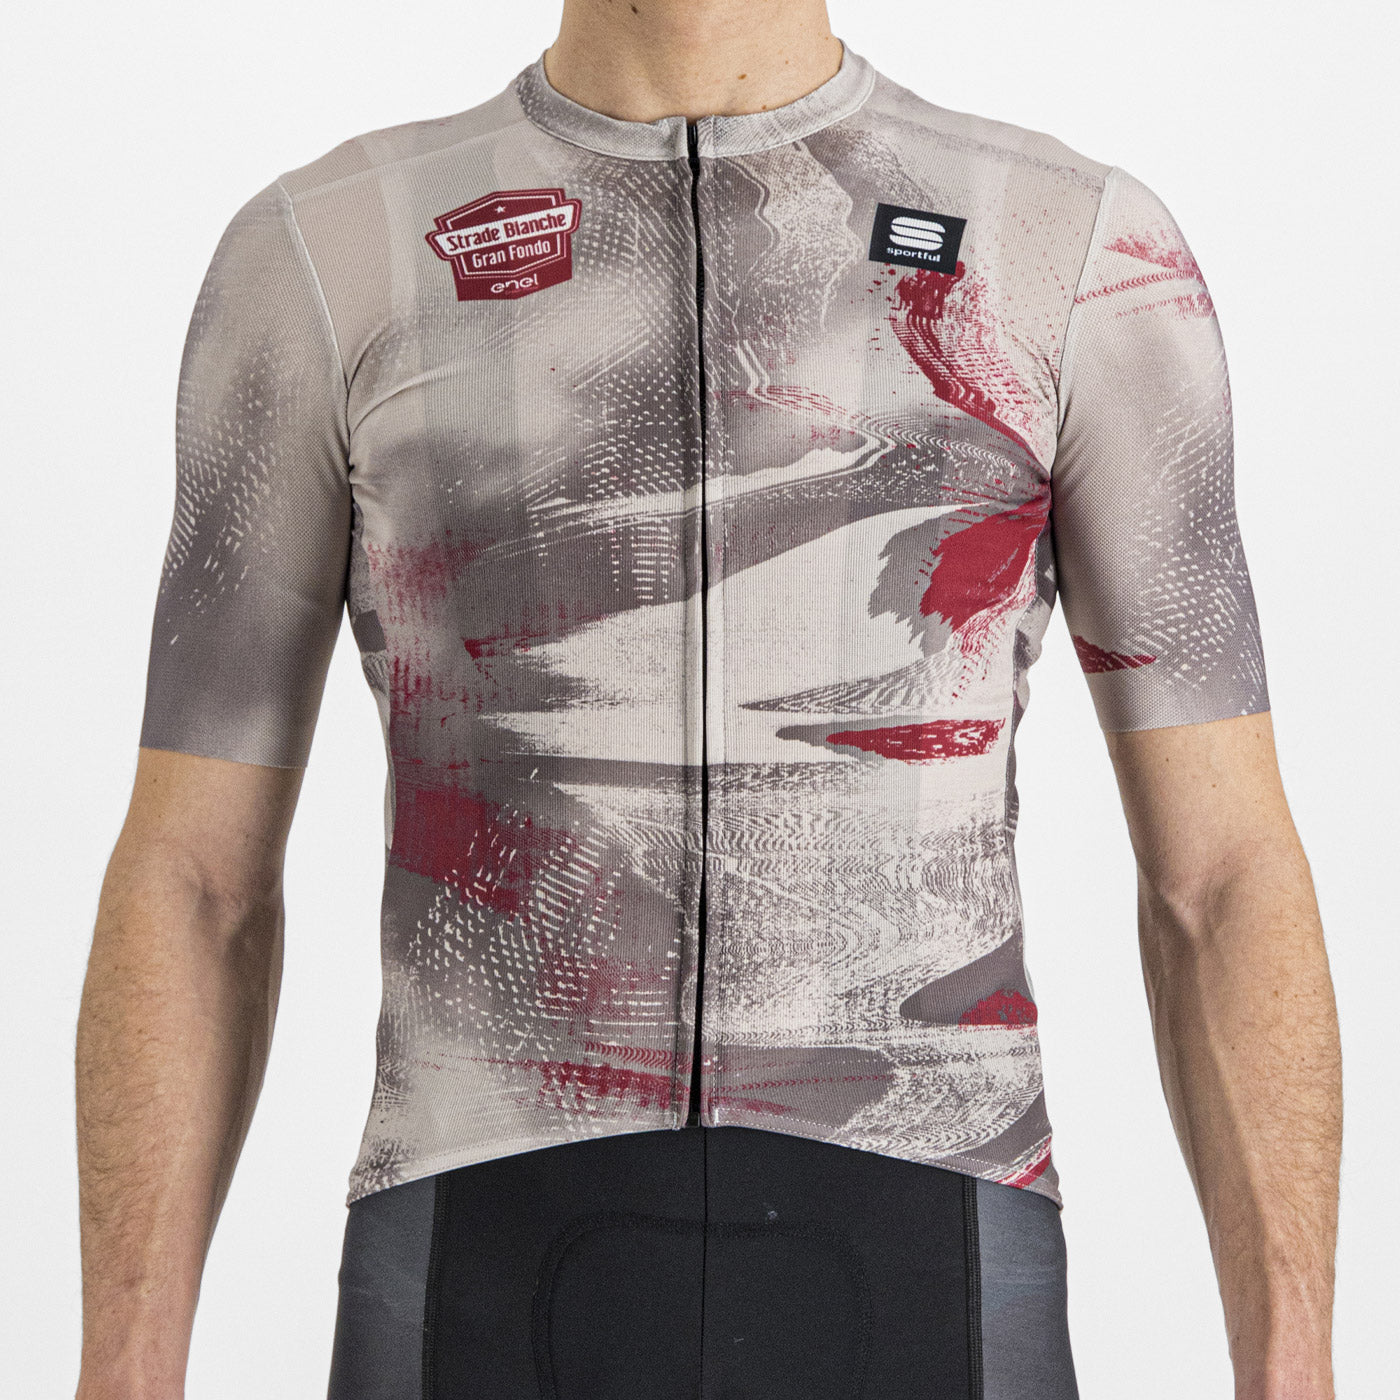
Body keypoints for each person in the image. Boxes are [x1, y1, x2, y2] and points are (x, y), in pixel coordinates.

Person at [74, 2, 1342, 1397]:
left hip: (929, 1230)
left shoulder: (1066, 248)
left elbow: (1221, 875)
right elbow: (195, 876)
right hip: (477, 1242)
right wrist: (123, 1370)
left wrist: (1293, 1371)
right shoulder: (335, 251)